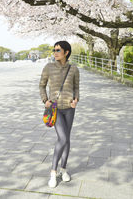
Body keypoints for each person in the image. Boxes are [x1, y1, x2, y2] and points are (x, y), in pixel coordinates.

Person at [39, 41, 80, 188]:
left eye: (58, 50)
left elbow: (76, 87)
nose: (55, 52)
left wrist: (76, 100)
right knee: (62, 138)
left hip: (69, 108)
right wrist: (45, 100)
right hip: (55, 108)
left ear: (66, 52)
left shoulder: (74, 68)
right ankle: (53, 172)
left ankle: (64, 169)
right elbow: (42, 85)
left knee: (66, 139)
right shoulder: (48, 67)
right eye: (54, 50)